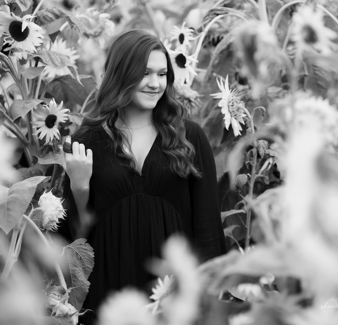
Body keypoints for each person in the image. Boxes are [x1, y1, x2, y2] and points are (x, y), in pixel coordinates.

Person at [57, 30, 224, 325]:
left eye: (162, 74)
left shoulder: (189, 137)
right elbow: (77, 238)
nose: (155, 83)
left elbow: (208, 228)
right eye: (145, 73)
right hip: (110, 294)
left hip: (174, 294)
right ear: (122, 74)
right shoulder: (87, 141)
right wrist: (79, 186)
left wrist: (207, 298)